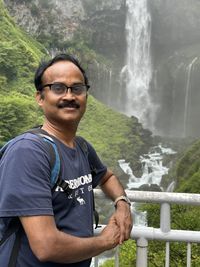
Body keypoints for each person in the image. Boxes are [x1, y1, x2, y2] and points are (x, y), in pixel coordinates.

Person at [0, 53, 133, 267]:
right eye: (58, 88)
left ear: (86, 96)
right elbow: (46, 246)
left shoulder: (81, 147)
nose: (69, 96)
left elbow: (107, 177)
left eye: (77, 88)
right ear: (40, 98)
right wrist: (105, 241)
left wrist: (122, 204)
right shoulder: (27, 152)